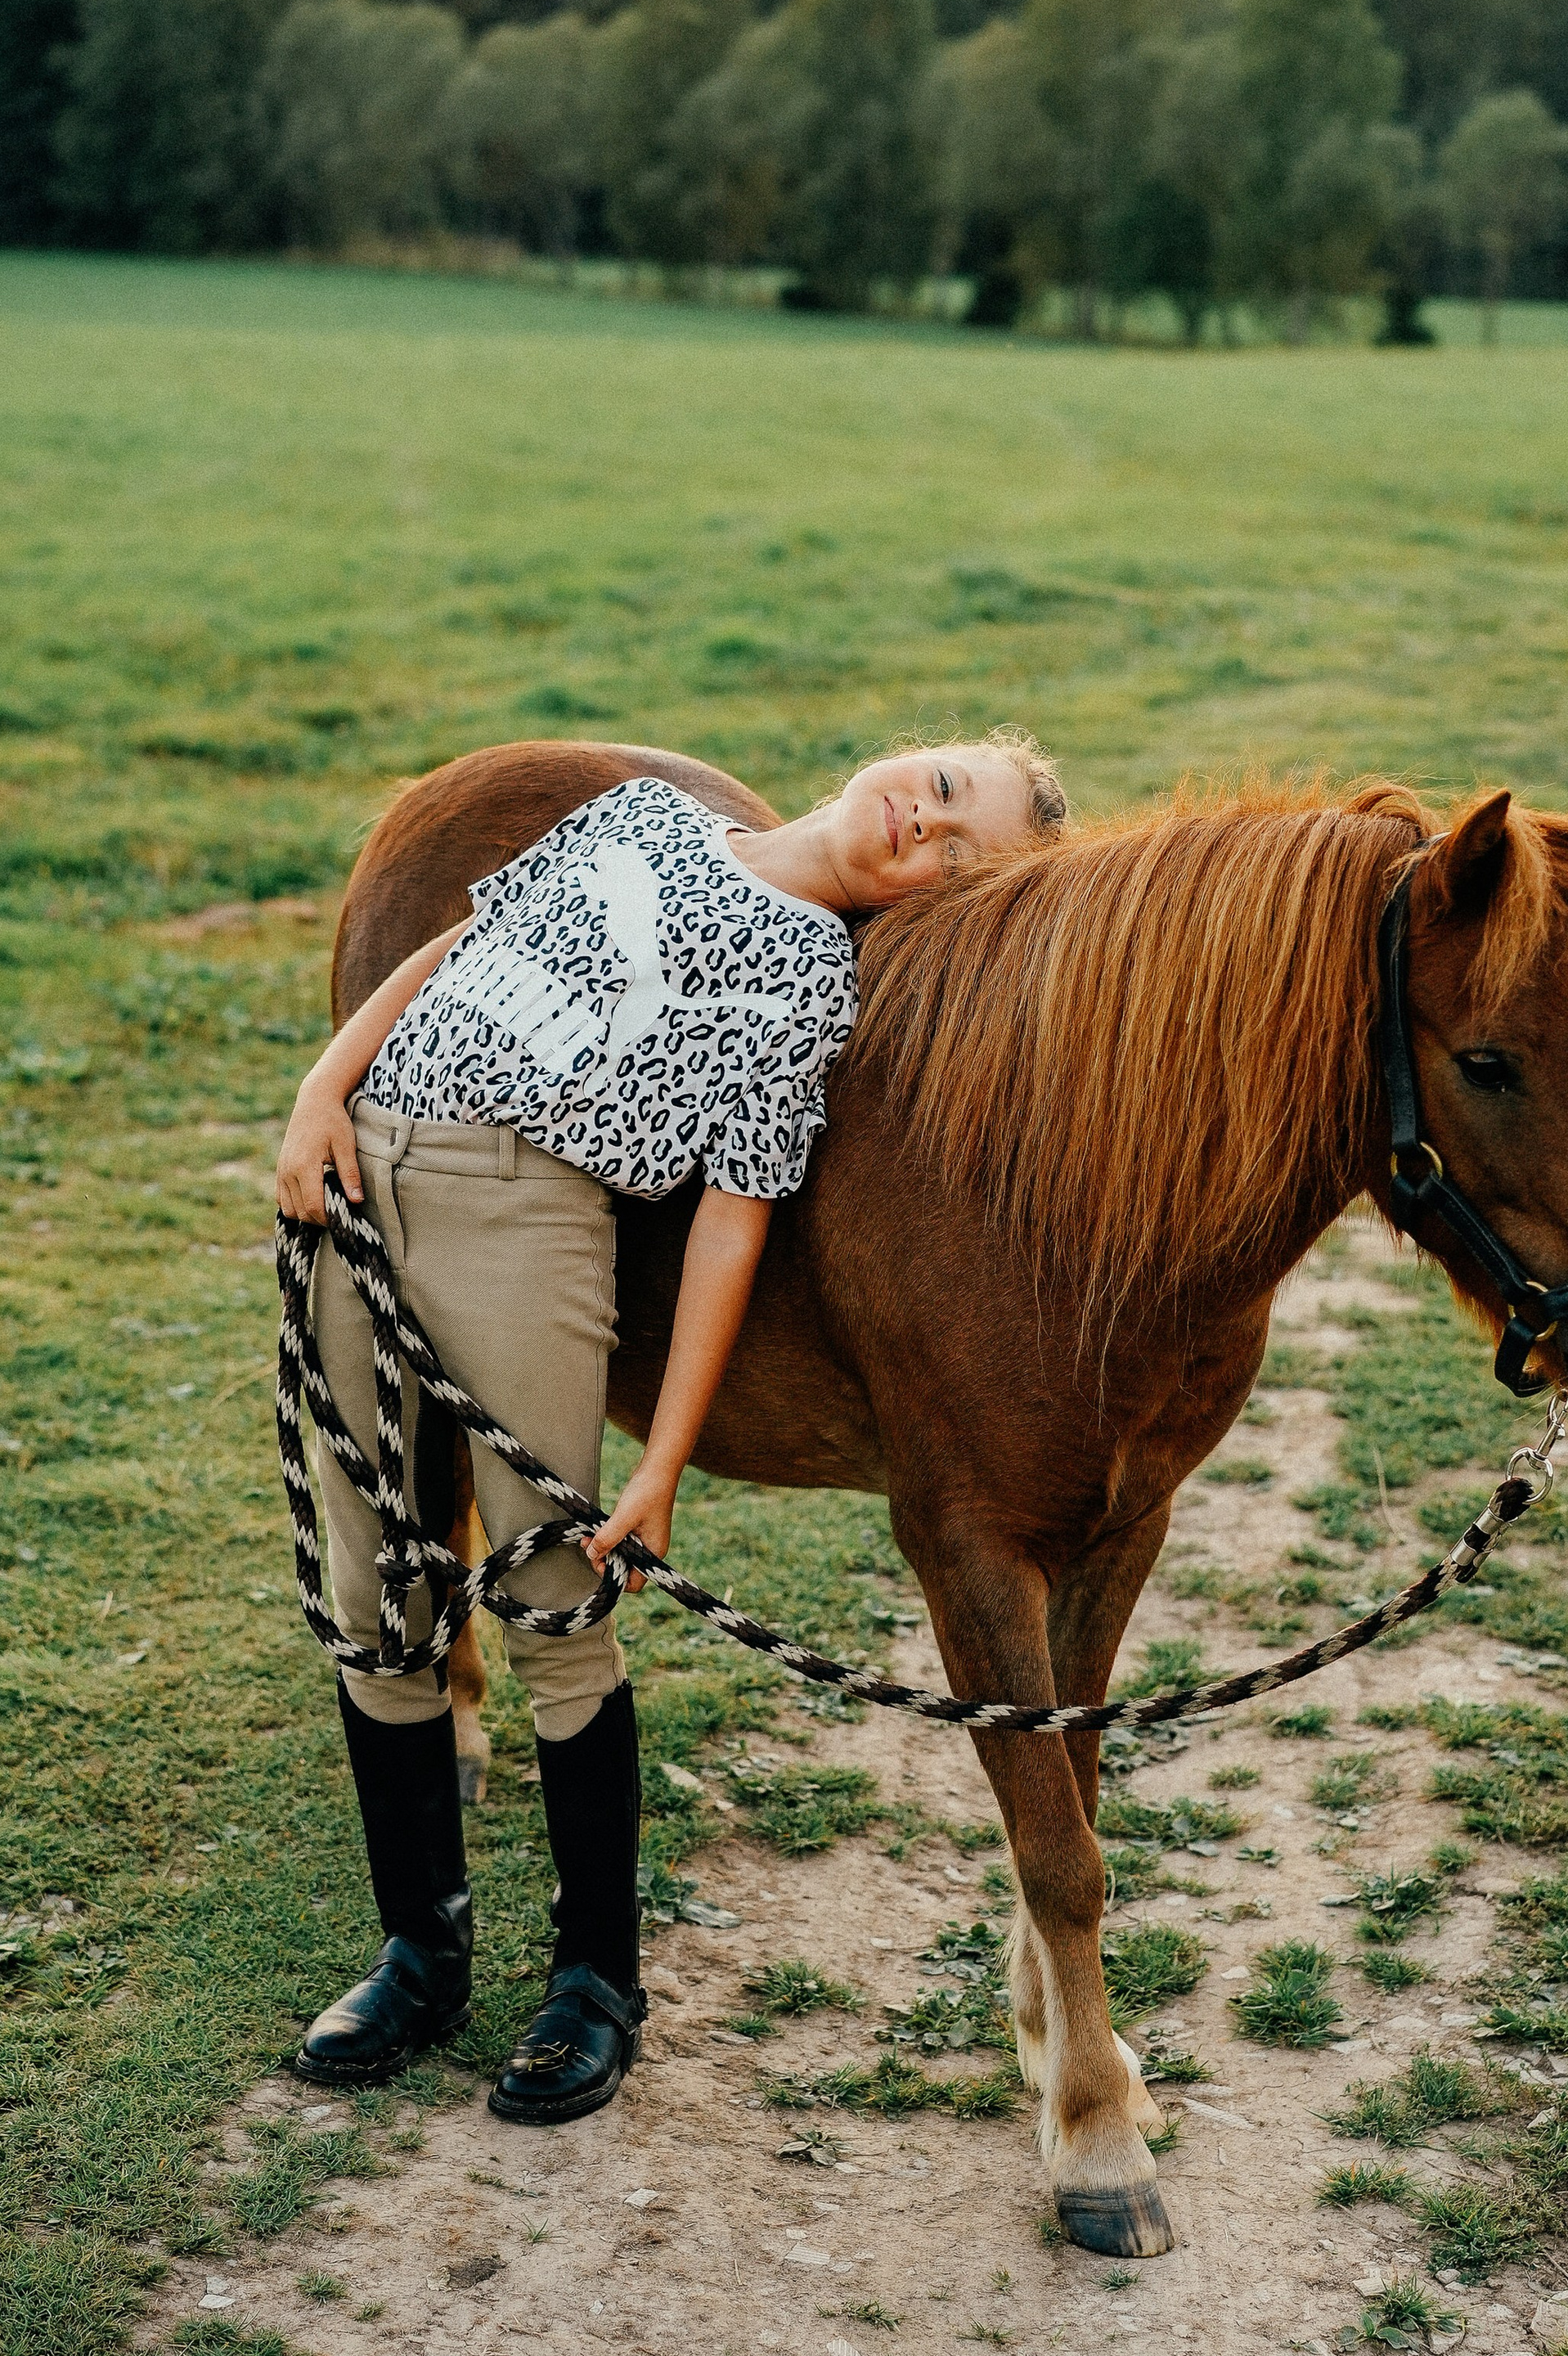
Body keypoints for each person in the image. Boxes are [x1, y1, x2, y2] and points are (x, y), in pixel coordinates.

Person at [275, 735, 1064, 2124]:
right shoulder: (638, 813)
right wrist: (321, 1090)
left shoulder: (813, 977)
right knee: (372, 1585)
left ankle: (595, 1981)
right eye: (940, 786)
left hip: (527, 1211)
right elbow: (459, 949)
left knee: (550, 1595)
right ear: (907, 750)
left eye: (957, 851)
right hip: (361, 1168)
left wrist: (663, 1458)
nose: (923, 824)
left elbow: (731, 1221)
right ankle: (420, 1948)